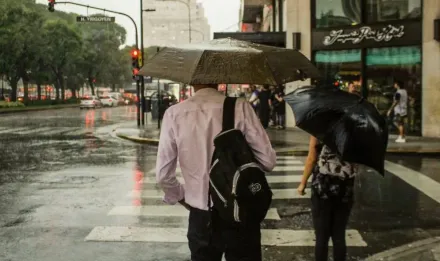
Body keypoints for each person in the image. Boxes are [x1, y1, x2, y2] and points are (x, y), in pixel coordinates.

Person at [156, 84, 276, 261]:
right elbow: (268, 161)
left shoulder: (174, 114)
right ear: (219, 77)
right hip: (240, 210)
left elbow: (163, 176)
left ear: (191, 80)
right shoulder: (240, 107)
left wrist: (182, 197)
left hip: (201, 216)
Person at [297, 136, 357, 261]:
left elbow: (312, 158)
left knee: (322, 236)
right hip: (345, 187)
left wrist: (303, 183)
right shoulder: (354, 130)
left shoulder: (320, 128)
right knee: (339, 235)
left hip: (323, 187)